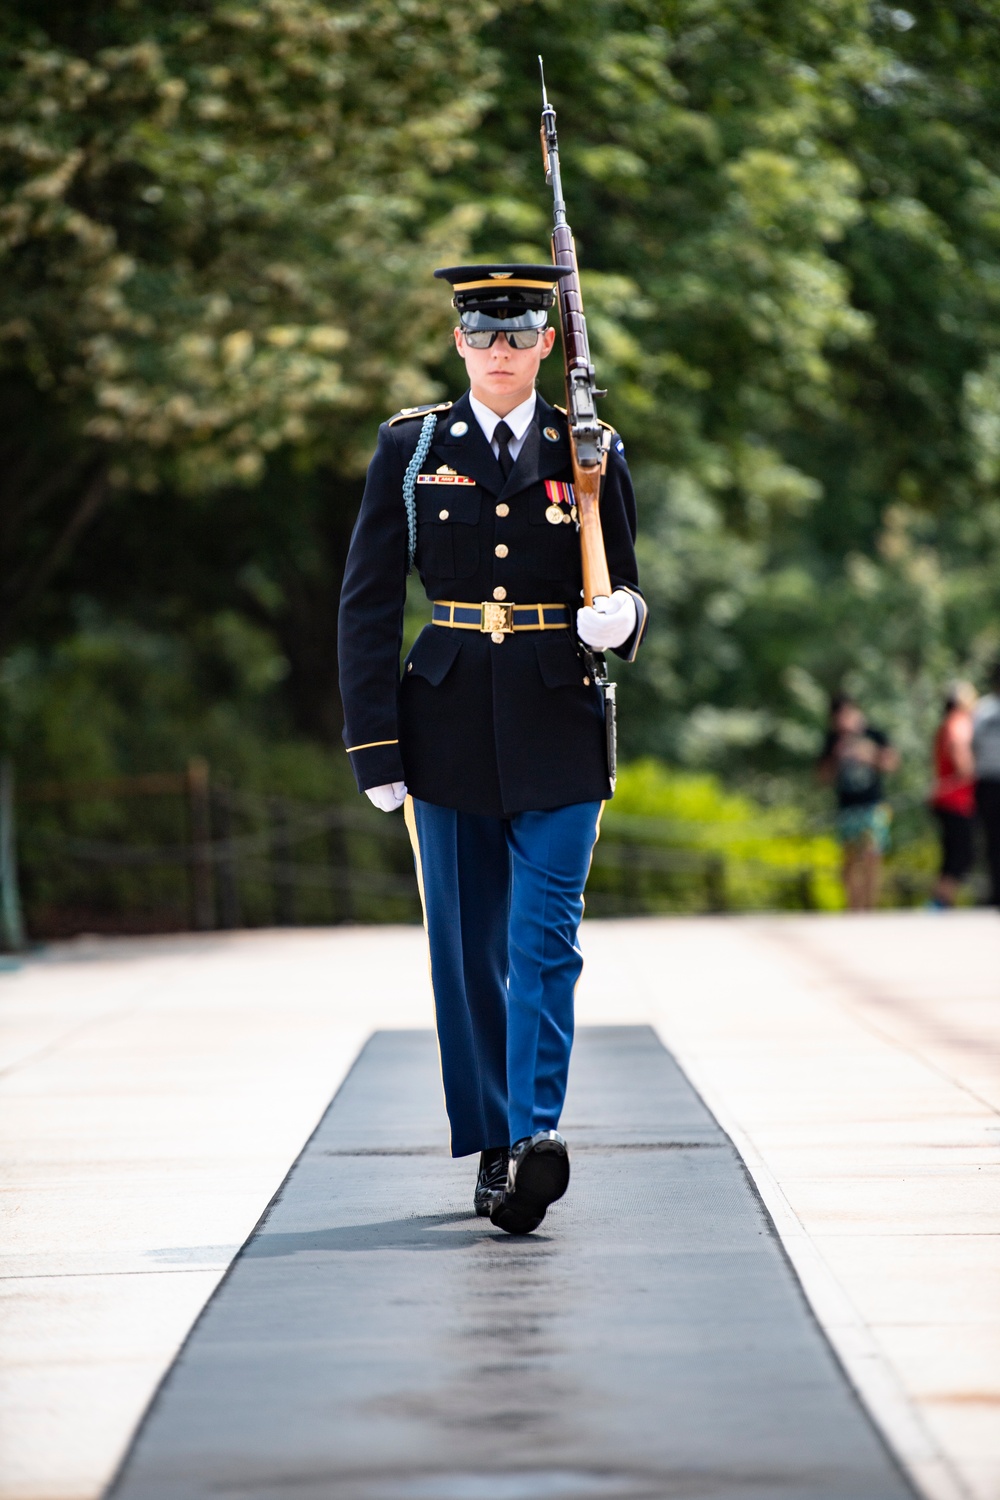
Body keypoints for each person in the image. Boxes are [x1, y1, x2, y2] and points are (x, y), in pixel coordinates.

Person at [338, 264, 647, 1234]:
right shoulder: (413, 445)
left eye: (519, 333)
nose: (501, 350)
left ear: (549, 343)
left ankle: (534, 1135)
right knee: (468, 950)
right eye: (484, 333)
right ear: (459, 341)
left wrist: (620, 620)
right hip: (447, 723)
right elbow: (369, 602)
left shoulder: (587, 448)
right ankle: (493, 1142)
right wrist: (375, 746)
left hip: (560, 719)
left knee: (543, 940)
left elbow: (629, 586)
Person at [818, 694, 899, 911]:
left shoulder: (873, 734)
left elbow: (891, 764)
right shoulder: (833, 740)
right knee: (850, 859)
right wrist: (836, 756)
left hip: (873, 804)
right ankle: (853, 908)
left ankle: (870, 907)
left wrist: (870, 756)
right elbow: (822, 777)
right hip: (847, 807)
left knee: (873, 855)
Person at [929, 682, 977, 908]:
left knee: (952, 854)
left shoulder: (944, 725)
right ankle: (939, 903)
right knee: (961, 855)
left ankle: (942, 902)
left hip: (945, 799)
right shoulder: (958, 722)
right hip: (955, 800)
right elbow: (961, 758)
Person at [972, 662, 1000, 908]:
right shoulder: (984, 709)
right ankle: (994, 891)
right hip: (989, 781)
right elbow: (971, 743)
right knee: (992, 840)